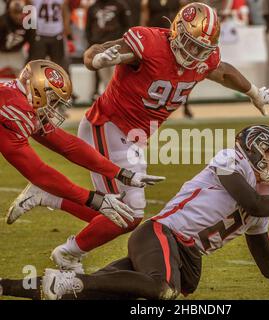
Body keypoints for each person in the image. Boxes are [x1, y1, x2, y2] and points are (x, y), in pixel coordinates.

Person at [8, 2, 269, 273]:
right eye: (190, 43)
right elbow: (96, 52)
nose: (193, 53)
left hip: (133, 139)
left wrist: (252, 91)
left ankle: (51, 200)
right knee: (129, 213)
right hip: (108, 124)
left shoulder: (202, 59)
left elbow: (223, 71)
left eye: (200, 48)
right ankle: (68, 253)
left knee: (123, 213)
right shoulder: (149, 42)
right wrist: (96, 60)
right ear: (176, 30)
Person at [0, 125, 269, 300]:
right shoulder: (232, 161)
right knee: (159, 288)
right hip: (160, 235)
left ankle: (10, 286)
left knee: (97, 296)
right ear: (252, 149)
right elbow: (254, 203)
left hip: (182, 253)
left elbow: (268, 264)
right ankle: (68, 280)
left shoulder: (265, 201)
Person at [1, 59, 165, 267]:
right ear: (36, 90)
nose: (53, 107)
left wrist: (121, 173)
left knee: (125, 215)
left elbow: (67, 145)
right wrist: (93, 199)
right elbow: (38, 173)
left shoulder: (20, 100)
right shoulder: (15, 109)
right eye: (52, 98)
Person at [85, 0, 132, 97]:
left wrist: (122, 42)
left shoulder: (120, 5)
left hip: (116, 46)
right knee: (105, 78)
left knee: (117, 75)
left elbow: (127, 25)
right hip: (100, 47)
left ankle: (119, 97)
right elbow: (88, 28)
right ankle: (107, 96)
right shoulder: (92, 7)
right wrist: (92, 43)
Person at [28, 0, 72, 71]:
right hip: (40, 35)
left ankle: (61, 81)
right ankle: (36, 82)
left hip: (57, 34)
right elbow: (28, 9)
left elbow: (65, 11)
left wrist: (66, 29)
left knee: (60, 67)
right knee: (36, 67)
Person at [0, 0, 32, 79]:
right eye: (15, 12)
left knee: (23, 77)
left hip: (17, 52)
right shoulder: (2, 21)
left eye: (21, 12)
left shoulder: (29, 22)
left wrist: (29, 62)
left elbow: (33, 43)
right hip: (1, 52)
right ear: (9, 12)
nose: (18, 16)